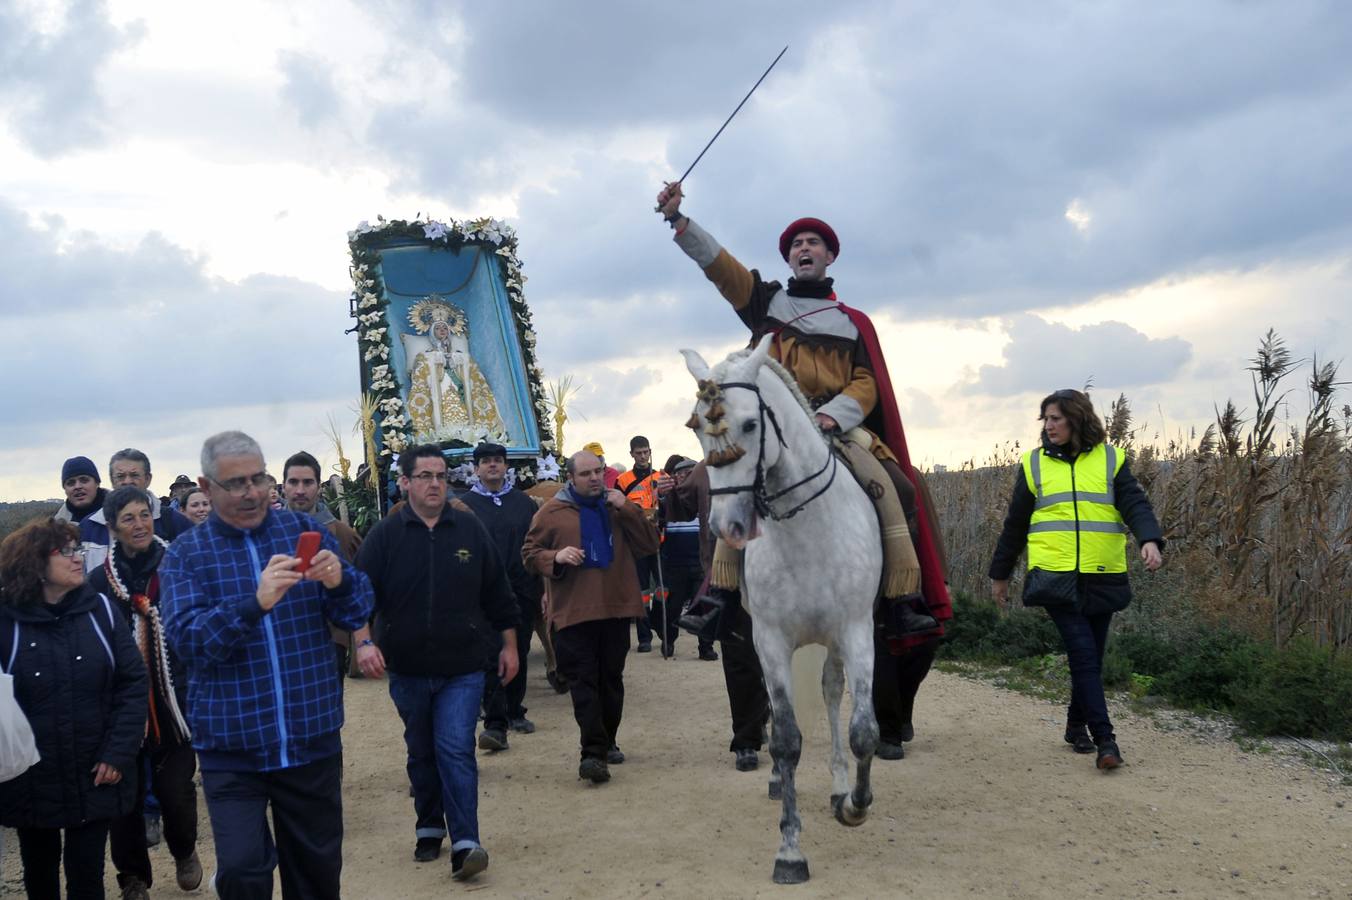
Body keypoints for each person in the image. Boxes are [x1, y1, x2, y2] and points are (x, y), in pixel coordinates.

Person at [655, 184, 949, 641]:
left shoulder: (852, 322)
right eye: (796, 244)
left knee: (896, 487)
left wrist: (834, 415)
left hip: (833, 426)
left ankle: (900, 599)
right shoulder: (766, 302)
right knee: (727, 489)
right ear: (789, 259)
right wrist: (680, 221)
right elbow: (720, 267)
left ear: (830, 256)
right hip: (770, 427)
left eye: (813, 243)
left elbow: (866, 382)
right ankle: (720, 594)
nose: (804, 248)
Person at [159, 430, 374, 899]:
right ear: (206, 485)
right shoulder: (185, 556)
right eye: (236, 483)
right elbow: (189, 641)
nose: (252, 491)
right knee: (240, 872)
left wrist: (339, 583)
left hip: (309, 739)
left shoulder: (303, 535)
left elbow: (358, 610)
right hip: (232, 749)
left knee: (316, 874)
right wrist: (253, 604)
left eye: (258, 477)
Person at [353, 444, 518, 879]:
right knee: (421, 750)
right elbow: (357, 595)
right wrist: (364, 641)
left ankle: (467, 842)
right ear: (405, 482)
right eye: (425, 476)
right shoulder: (385, 536)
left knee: (455, 749)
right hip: (406, 667)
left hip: (462, 667)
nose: (434, 484)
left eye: (441, 476)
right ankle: (429, 824)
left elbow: (497, 592)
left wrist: (510, 645)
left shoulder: (468, 529)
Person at [988, 389, 1165, 770]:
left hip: (1103, 574)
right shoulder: (1034, 465)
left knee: (1092, 658)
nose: (1048, 426)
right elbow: (1015, 525)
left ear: (1077, 419)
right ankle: (1106, 740)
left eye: (1056, 418)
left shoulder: (1111, 459)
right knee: (1083, 655)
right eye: (1045, 419)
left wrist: (1148, 538)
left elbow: (1134, 503)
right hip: (1055, 577)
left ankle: (1074, 726)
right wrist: (1000, 574)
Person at [0, 518, 147, 900]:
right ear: (35, 563)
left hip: (95, 769)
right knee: (39, 871)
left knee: (87, 876)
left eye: (78, 549)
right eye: (65, 551)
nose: (77, 558)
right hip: (29, 776)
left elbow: (132, 683)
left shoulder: (99, 610)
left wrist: (117, 754)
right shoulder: (6, 620)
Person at [88, 487, 202, 896]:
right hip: (121, 708)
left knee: (176, 791)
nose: (139, 524)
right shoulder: (99, 581)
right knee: (125, 799)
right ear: (114, 528)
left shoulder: (177, 565)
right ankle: (133, 876)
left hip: (176, 700)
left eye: (144, 515)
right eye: (129, 518)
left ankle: (185, 849)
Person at [522, 450, 659, 784]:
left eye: (598, 471)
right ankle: (592, 753)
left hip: (615, 607)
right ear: (571, 478)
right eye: (586, 474)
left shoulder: (619, 508)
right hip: (572, 613)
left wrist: (626, 508)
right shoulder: (553, 512)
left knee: (610, 681)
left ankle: (608, 740)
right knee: (583, 683)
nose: (595, 478)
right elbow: (529, 554)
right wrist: (556, 555)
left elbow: (651, 543)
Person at [663, 459, 769, 771]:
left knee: (893, 483)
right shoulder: (707, 466)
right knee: (740, 659)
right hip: (731, 576)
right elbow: (682, 510)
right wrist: (669, 493)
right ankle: (747, 740)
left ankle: (899, 594)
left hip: (781, 574)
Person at [458, 442, 543, 749]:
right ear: (476, 468)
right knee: (491, 653)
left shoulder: (523, 503)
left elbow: (536, 543)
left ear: (506, 466)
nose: (492, 466)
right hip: (483, 593)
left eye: (497, 461)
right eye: (485, 462)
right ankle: (495, 719)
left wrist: (540, 587)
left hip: (521, 588)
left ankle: (515, 709)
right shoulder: (465, 505)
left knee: (518, 647)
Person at [283, 450, 363, 684]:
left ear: (319, 487)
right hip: (280, 638)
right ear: (284, 486)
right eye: (293, 482)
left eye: (308, 482)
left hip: (328, 639)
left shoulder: (342, 534)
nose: (300, 490)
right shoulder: (265, 534)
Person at [78, 449, 193, 573]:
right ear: (112, 480)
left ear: (148, 479)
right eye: (121, 476)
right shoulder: (89, 526)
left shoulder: (175, 522)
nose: (127, 481)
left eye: (134, 475)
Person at [656, 456, 717, 661]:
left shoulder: (702, 495)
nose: (685, 476)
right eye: (681, 473)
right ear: (674, 477)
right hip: (675, 561)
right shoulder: (670, 499)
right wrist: (662, 497)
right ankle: (669, 640)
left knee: (703, 605)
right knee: (673, 607)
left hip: (700, 560)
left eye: (690, 472)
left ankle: (705, 646)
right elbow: (658, 517)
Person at [616, 436, 667, 652]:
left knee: (663, 590)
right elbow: (617, 510)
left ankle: (665, 632)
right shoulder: (623, 480)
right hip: (637, 542)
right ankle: (644, 637)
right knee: (642, 591)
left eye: (646, 452)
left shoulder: (661, 477)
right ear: (632, 455)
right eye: (639, 453)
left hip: (660, 540)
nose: (643, 456)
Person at [53, 455, 106, 526]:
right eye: (70, 483)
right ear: (64, 489)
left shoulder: (120, 513)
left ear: (97, 483)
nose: (77, 486)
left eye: (84, 480)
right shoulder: (57, 528)